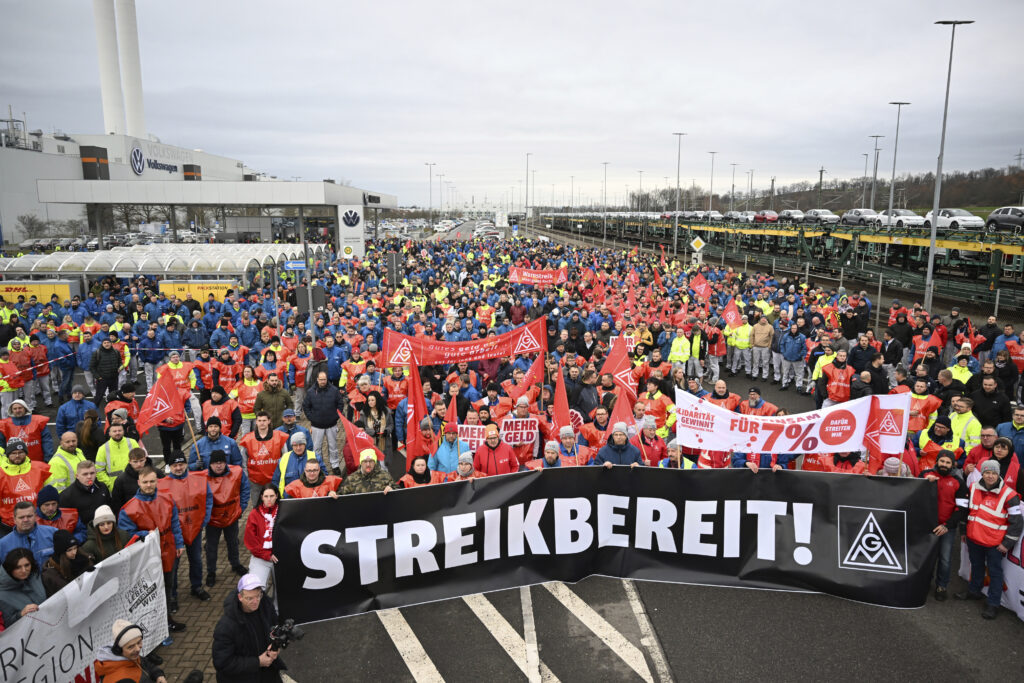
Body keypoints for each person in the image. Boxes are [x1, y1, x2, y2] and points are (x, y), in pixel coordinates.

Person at [117, 466, 187, 633]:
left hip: (168, 549)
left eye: (152, 481)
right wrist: (144, 534)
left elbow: (175, 523)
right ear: (138, 482)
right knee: (150, 592)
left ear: (157, 481)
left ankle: (167, 619)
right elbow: (125, 535)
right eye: (145, 482)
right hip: (146, 556)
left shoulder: (168, 499)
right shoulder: (129, 509)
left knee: (168, 586)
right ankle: (152, 626)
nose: (149, 485)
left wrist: (179, 544)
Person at [957, 460, 1024, 619]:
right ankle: (974, 591)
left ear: (998, 474)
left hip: (995, 544)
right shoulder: (973, 487)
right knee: (976, 566)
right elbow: (967, 511)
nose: (990, 476)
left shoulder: (1009, 495)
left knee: (995, 573)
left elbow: (1017, 522)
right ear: (983, 473)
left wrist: (1007, 543)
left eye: (994, 473)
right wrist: (964, 531)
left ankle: (993, 604)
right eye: (987, 472)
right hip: (974, 539)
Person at [157, 451, 212, 611]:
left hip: (194, 528)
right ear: (170, 466)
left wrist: (204, 519)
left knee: (196, 559)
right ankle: (172, 595)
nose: (179, 468)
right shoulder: (162, 484)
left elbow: (208, 498)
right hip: (174, 533)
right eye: (175, 465)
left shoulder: (199, 479)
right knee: (173, 565)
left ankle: (197, 587)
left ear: (186, 464)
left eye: (181, 464)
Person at [212, 574, 288, 683]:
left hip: (268, 673)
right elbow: (222, 663)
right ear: (240, 597)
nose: (255, 601)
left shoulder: (265, 605)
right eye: (249, 598)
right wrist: (257, 662)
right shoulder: (225, 627)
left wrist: (275, 645)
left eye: (258, 596)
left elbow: (275, 627)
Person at [920, 451, 968, 602]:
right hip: (926, 525)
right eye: (942, 461)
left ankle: (942, 586)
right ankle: (924, 582)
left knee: (945, 559)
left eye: (948, 463)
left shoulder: (958, 481)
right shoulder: (925, 474)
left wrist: (947, 525)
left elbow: (961, 509)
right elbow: (912, 490)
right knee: (924, 557)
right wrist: (923, 480)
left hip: (947, 527)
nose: (944, 465)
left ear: (953, 464)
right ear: (937, 461)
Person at [205, 450, 250, 585]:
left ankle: (235, 564)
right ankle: (211, 571)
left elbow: (245, 489)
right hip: (212, 520)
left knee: (233, 543)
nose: (218, 466)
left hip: (232, 516)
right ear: (210, 464)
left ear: (226, 463)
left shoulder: (237, 472)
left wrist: (241, 508)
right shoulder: (202, 477)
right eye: (215, 463)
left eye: (221, 463)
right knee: (211, 547)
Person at [94, 618, 183, 683]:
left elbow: (146, 664)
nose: (137, 649)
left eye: (139, 642)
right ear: (119, 649)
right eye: (131, 646)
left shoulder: (128, 655)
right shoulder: (122, 680)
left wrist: (158, 675)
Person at [238, 411, 290, 508]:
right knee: (257, 506)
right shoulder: (248, 439)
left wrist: (283, 475)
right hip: (255, 481)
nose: (262, 423)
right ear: (256, 422)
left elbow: (285, 457)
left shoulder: (279, 437)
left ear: (269, 421)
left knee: (276, 506)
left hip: (275, 479)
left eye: (264, 420)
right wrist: (245, 476)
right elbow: (243, 460)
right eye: (259, 420)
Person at [0, 438, 50, 532]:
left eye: (20, 452)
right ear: (8, 455)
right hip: (7, 527)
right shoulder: (1, 474)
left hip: (37, 523)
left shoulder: (41, 468)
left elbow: (50, 495)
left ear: (26, 453)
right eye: (14, 453)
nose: (17, 456)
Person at [302, 371, 344, 475]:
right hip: (317, 426)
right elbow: (306, 406)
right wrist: (312, 418)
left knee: (333, 446)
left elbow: (340, 403)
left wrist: (336, 417)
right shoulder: (311, 391)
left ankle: (335, 465)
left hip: (331, 424)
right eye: (321, 379)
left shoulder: (334, 390)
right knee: (317, 448)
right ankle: (318, 466)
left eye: (324, 379)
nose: (322, 381)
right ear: (317, 379)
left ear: (327, 379)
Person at [0, 548, 46, 627]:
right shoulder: (2, 594)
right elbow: (7, 624)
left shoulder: (35, 576)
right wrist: (21, 614)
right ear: (10, 568)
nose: (24, 570)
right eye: (18, 567)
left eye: (27, 565)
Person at [244, 485, 279, 587]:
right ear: (261, 497)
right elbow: (250, 541)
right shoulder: (254, 514)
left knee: (284, 591)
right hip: (261, 557)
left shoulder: (284, 510)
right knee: (256, 587)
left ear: (276, 496)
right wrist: (266, 555)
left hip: (281, 557)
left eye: (272, 496)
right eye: (266, 496)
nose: (269, 499)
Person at [270, 432, 325, 496]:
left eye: (301, 444)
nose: (298, 448)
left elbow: (324, 477)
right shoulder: (283, 459)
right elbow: (275, 481)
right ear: (292, 446)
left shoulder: (315, 457)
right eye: (295, 445)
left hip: (310, 497)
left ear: (305, 444)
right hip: (289, 499)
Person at [111, 447, 163, 515]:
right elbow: (117, 505)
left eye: (141, 460)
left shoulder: (158, 474)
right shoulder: (121, 480)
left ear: (145, 459)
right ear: (129, 461)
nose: (139, 464)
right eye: (135, 462)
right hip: (132, 518)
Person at [59, 459, 112, 526]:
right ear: (77, 476)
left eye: (92, 473)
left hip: (104, 529)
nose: (89, 477)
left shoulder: (102, 487)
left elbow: (110, 509)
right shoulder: (67, 495)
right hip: (83, 533)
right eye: (85, 474)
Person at [0, 398, 53, 463]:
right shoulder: (4, 425)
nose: (17, 410)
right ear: (11, 411)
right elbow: (1, 445)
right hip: (14, 463)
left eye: (20, 408)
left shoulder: (38, 421)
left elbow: (47, 441)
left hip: (37, 462)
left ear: (25, 408)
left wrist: (48, 458)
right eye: (15, 409)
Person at [41, 529, 91, 597]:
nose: (74, 552)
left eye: (75, 548)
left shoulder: (83, 558)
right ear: (61, 552)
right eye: (69, 550)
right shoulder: (51, 573)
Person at [95, 422, 144, 491]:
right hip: (114, 487)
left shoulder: (132, 442)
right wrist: (110, 484)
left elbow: (142, 462)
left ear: (123, 431)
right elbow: (99, 471)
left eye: (119, 430)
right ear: (109, 433)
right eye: (114, 431)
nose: (117, 433)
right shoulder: (103, 449)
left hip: (134, 483)